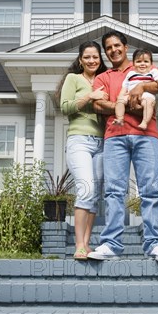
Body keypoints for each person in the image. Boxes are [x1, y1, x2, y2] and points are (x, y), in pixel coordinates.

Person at [87, 31, 158, 262]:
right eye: (108, 47)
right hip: (115, 137)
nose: (113, 50)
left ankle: (154, 244)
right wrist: (125, 106)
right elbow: (97, 105)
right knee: (114, 191)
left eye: (117, 45)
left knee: (150, 190)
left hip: (146, 135)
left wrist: (142, 89)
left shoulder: (141, 66)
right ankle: (111, 245)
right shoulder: (103, 77)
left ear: (125, 47)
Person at [58, 41, 108, 260]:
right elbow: (65, 107)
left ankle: (87, 245)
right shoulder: (73, 79)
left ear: (100, 59)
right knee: (86, 188)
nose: (91, 60)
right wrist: (90, 96)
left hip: (101, 142)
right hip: (79, 140)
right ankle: (78, 245)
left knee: (95, 195)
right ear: (80, 60)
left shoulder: (103, 80)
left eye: (95, 57)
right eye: (87, 57)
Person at [112, 49, 158, 130]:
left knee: (148, 103)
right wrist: (121, 96)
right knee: (120, 101)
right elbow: (125, 86)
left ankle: (144, 122)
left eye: (146, 61)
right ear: (133, 64)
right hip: (130, 95)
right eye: (139, 61)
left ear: (151, 64)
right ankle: (120, 119)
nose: (142, 64)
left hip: (147, 96)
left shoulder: (153, 72)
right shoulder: (130, 74)